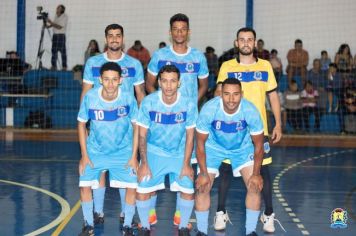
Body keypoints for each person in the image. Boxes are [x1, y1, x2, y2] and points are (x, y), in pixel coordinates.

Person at [145, 13, 209, 226]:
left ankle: (180, 216)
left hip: (187, 123)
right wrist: (163, 103)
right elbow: (149, 84)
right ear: (170, 31)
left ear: (188, 32)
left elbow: (204, 86)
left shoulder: (198, 57)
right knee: (153, 168)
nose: (179, 32)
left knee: (186, 169)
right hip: (162, 122)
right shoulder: (159, 55)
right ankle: (150, 213)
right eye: (176, 29)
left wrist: (190, 104)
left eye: (183, 29)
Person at [216, 27, 282, 233]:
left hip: (258, 130)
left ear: (255, 43)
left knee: (263, 171)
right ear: (236, 43)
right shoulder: (226, 66)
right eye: (242, 40)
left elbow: (272, 96)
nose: (245, 43)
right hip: (231, 129)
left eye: (249, 40)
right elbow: (220, 95)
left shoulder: (265, 66)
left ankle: (268, 213)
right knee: (225, 170)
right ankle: (220, 212)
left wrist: (278, 123)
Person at [80, 23, 145, 227]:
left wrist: (143, 125)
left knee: (126, 169)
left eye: (118, 36)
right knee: (99, 170)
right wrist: (88, 122)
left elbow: (140, 94)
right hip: (100, 123)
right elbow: (86, 92)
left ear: (123, 39)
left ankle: (126, 214)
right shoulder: (93, 62)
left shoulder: (134, 63)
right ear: (106, 39)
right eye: (111, 36)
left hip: (125, 127)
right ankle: (97, 212)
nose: (115, 39)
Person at [194, 79, 264, 236]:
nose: (231, 99)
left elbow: (259, 146)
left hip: (242, 148)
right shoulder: (209, 109)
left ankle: (251, 231)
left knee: (254, 186)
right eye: (227, 94)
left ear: (242, 95)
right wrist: (203, 174)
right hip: (213, 148)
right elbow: (199, 144)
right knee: (203, 186)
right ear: (220, 95)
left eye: (235, 94)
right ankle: (201, 231)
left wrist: (256, 174)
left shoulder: (250, 110)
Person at [77, 62, 138, 236]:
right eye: (106, 79)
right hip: (96, 151)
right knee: (84, 185)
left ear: (120, 80)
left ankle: (127, 226)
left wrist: (134, 156)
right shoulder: (90, 97)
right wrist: (84, 155)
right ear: (100, 80)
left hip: (123, 152)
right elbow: (81, 124)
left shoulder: (128, 98)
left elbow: (137, 127)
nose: (110, 84)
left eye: (114, 80)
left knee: (131, 186)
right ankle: (88, 225)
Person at [135, 65, 198, 236]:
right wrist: (144, 163)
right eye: (164, 81)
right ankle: (145, 226)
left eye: (172, 81)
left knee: (188, 189)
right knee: (142, 189)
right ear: (159, 82)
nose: (168, 86)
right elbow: (142, 136)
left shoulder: (188, 104)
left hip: (179, 153)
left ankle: (184, 226)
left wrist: (186, 164)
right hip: (154, 152)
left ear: (179, 83)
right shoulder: (149, 102)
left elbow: (190, 136)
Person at [46, 4, 68, 70]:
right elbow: (55, 24)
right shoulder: (56, 16)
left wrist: (50, 22)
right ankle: (54, 66)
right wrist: (48, 26)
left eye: (59, 8)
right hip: (55, 36)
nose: (57, 9)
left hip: (61, 36)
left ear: (62, 10)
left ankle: (64, 67)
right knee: (54, 51)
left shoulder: (65, 16)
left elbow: (59, 27)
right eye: (57, 8)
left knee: (62, 52)